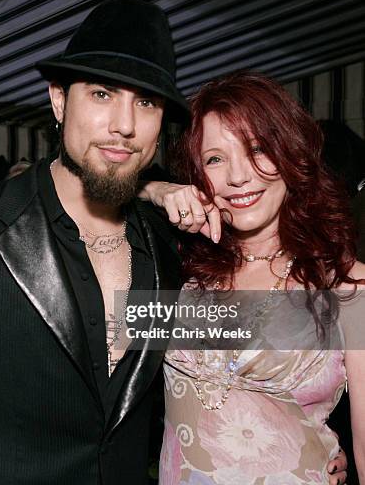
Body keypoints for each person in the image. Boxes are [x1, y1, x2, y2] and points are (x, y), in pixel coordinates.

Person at [0, 0, 348, 484]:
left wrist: (307, 441)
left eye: (146, 102)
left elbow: (251, 354)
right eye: (102, 94)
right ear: (58, 99)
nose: (125, 124)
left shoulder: (176, 250)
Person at [141, 71, 362, 484]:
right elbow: (80, 192)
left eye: (257, 149)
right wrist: (154, 190)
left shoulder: (349, 288)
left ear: (290, 154)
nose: (238, 176)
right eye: (215, 159)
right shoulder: (177, 267)